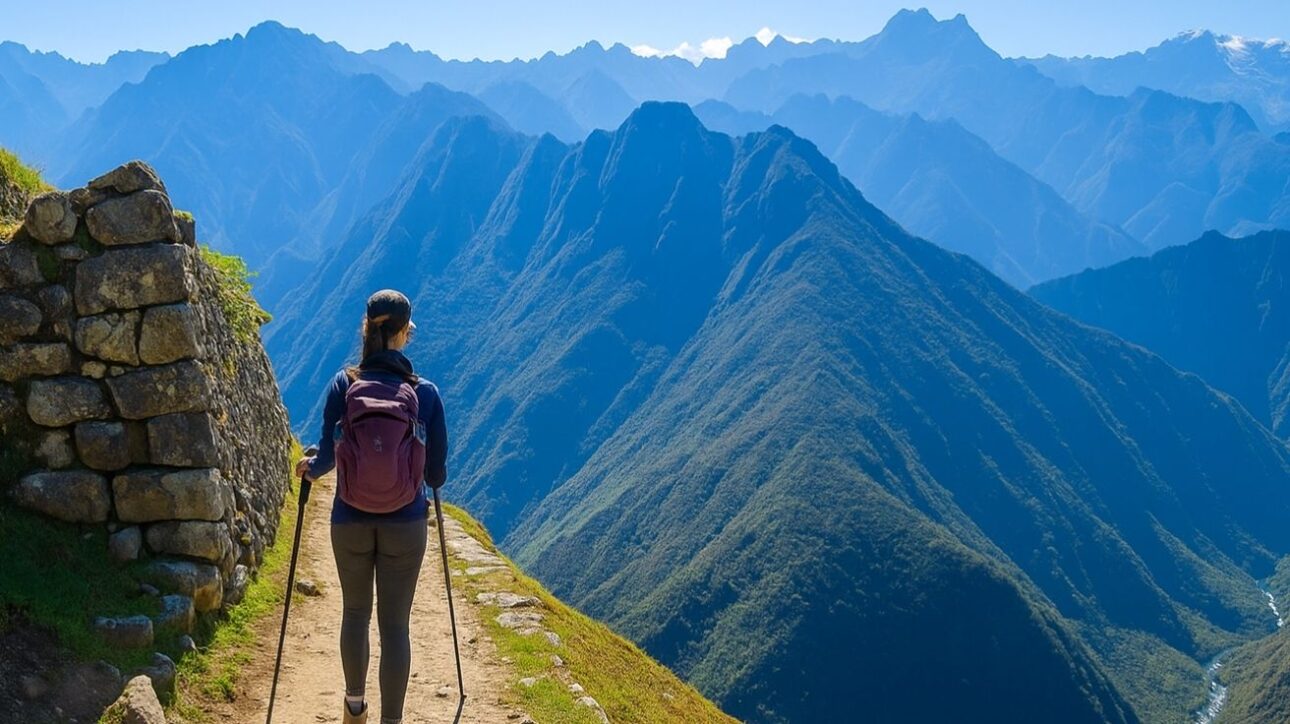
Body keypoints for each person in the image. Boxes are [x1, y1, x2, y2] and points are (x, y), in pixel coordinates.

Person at [295, 289, 448, 724]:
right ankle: (391, 721)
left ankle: (354, 708)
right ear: (402, 333)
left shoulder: (344, 385)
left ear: (367, 329)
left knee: (356, 613)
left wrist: (310, 468)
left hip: (350, 520)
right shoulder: (427, 394)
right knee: (395, 626)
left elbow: (326, 456)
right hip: (405, 523)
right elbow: (435, 475)